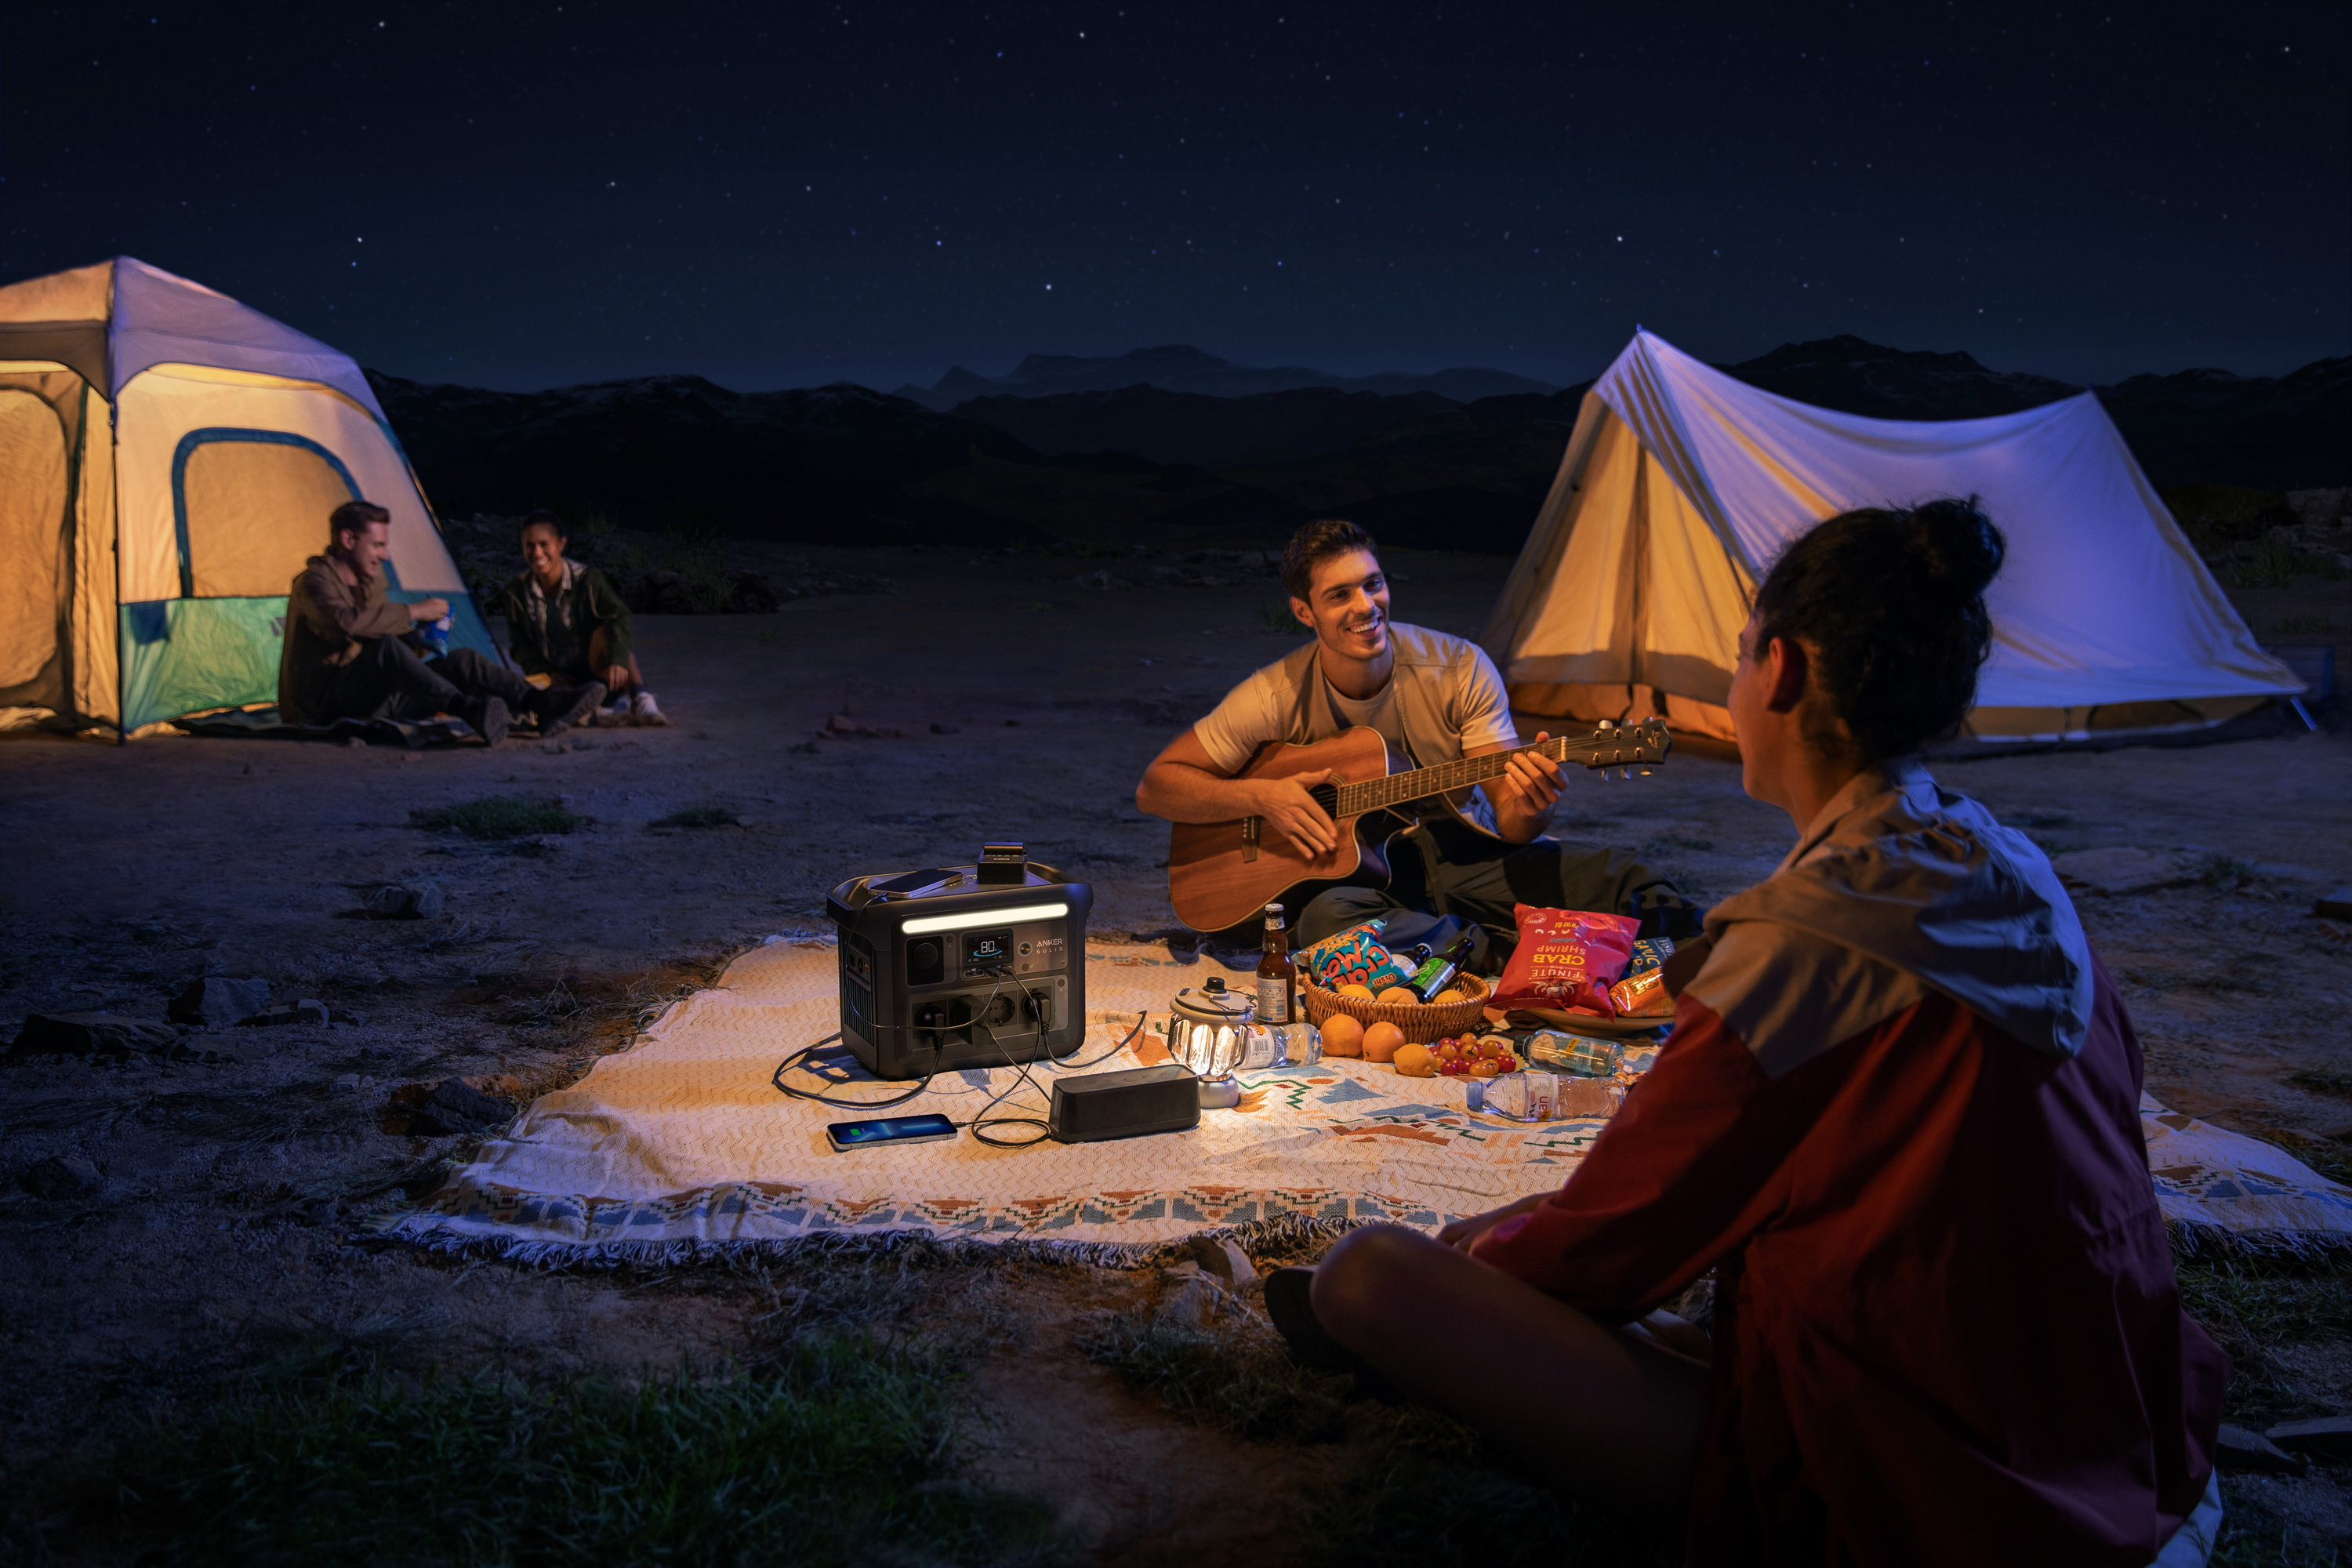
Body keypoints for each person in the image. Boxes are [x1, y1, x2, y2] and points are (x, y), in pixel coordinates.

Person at [1269, 499, 2227, 1564]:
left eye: (1735, 658)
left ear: (1777, 670)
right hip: (2095, 1412)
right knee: (1577, 1260)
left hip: (1916, 1472)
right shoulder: (2013, 871)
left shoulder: (1799, 951)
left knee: (1373, 1275)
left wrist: (1476, 1253)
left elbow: (1610, 1251)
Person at [1135, 517, 1700, 961]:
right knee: (1325, 924)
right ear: (1304, 611)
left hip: (1462, 854)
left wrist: (1532, 806)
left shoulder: (1458, 667)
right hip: (1363, 884)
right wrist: (1262, 797)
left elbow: (1510, 816)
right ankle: (1502, 947)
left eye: (1373, 584)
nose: (1365, 607)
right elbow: (1159, 786)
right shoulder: (1274, 692)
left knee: (1631, 884)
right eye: (1339, 596)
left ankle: (1463, 947)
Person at [279, 501, 605, 744]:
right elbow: (345, 624)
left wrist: (419, 640)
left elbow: (379, 644)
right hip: (324, 705)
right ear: (348, 540)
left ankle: (541, 703)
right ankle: (467, 708)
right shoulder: (313, 583)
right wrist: (413, 613)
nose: (385, 555)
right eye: (378, 545)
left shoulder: (371, 584)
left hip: (374, 696)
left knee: (462, 660)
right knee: (386, 647)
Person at [495, 510, 666, 727]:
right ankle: (587, 709)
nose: (537, 552)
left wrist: (618, 658)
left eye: (544, 544)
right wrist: (546, 672)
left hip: (594, 667)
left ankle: (640, 697)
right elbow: (520, 646)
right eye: (529, 545)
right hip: (556, 677)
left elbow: (620, 616)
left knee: (607, 631)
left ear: (560, 544)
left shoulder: (587, 579)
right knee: (529, 696)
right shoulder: (516, 592)